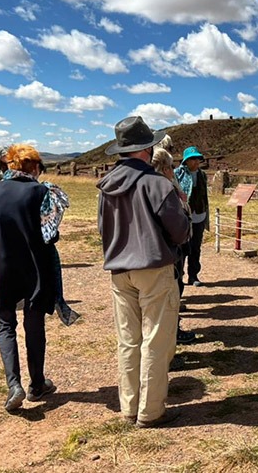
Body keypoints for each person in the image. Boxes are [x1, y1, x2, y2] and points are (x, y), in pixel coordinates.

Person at [98, 115, 191, 428]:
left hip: (119, 270)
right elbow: (179, 232)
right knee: (156, 340)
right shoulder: (157, 183)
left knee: (128, 340)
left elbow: (103, 229)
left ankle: (129, 406)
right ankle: (150, 412)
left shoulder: (106, 186)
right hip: (154, 268)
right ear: (147, 149)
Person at [0, 144, 58, 412]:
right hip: (35, 268)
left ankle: (13, 385)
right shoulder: (41, 191)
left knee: (5, 323)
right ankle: (37, 384)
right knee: (34, 324)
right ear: (34, 167)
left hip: (3, 267)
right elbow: (51, 235)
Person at [151, 147, 196, 345]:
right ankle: (171, 336)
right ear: (164, 167)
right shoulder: (164, 187)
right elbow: (175, 225)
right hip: (168, 252)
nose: (172, 169)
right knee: (168, 296)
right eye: (170, 166)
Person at [37, 161, 80, 326]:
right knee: (34, 311)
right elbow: (50, 231)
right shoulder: (44, 191)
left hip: (9, 254)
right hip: (40, 249)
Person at [174, 146, 209, 287]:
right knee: (182, 248)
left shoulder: (202, 175)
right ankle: (179, 276)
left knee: (196, 247)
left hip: (199, 215)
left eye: (197, 159)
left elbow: (205, 196)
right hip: (183, 217)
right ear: (186, 161)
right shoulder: (177, 174)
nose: (196, 162)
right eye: (193, 159)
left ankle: (193, 275)